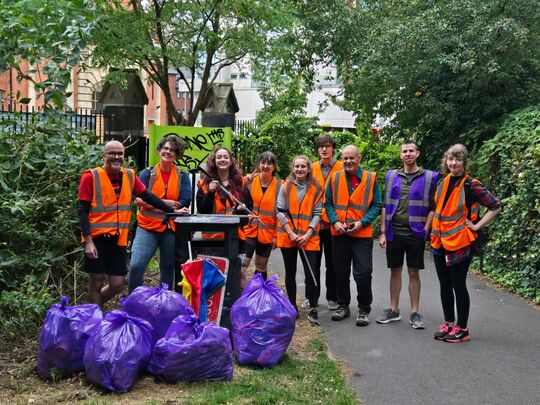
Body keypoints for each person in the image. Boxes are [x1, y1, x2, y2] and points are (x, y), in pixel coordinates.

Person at [78, 140, 182, 307]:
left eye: (120, 154)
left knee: (117, 285)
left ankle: (89, 308)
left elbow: (148, 196)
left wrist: (170, 211)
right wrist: (88, 241)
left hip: (118, 239)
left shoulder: (129, 175)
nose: (116, 157)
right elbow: (82, 211)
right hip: (96, 238)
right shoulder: (91, 176)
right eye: (112, 153)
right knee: (96, 282)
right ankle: (95, 320)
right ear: (104, 155)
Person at [430, 144, 500, 343]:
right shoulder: (442, 183)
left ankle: (462, 329)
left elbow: (495, 206)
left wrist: (477, 226)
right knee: (445, 285)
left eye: (457, 159)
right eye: (450, 159)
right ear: (446, 161)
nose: (453, 163)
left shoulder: (472, 184)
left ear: (464, 162)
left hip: (460, 243)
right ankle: (449, 324)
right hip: (439, 242)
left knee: (458, 285)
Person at [377, 140, 438, 329]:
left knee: (413, 272)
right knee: (395, 271)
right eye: (404, 151)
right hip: (394, 232)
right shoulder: (391, 175)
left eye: (411, 150)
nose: (408, 154)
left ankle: (414, 313)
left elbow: (433, 208)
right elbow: (386, 205)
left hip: (415, 234)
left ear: (418, 153)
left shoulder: (430, 177)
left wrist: (426, 230)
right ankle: (394, 310)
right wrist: (383, 232)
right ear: (400, 155)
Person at [325, 145, 382, 326]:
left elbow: (377, 205)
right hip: (339, 233)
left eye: (352, 158)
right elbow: (328, 204)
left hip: (361, 235)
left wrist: (362, 222)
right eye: (345, 158)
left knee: (363, 273)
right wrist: (335, 221)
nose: (348, 161)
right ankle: (343, 306)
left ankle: (364, 309)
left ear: (360, 158)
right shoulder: (334, 178)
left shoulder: (371, 179)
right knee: (340, 272)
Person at [128, 135, 191, 293]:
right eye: (165, 148)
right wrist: (168, 204)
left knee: (167, 271)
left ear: (177, 154)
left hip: (169, 228)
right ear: (159, 150)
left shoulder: (182, 176)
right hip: (146, 227)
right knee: (136, 266)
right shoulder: (147, 173)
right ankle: (133, 302)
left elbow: (184, 202)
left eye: (172, 150)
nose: (168, 152)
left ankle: (165, 304)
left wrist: (153, 204)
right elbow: (136, 200)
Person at [276, 156, 323, 325]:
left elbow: (318, 213)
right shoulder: (285, 187)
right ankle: (292, 307)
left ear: (309, 169)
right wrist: (290, 232)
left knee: (312, 272)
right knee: (290, 273)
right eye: (297, 166)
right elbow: (280, 211)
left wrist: (308, 233)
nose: (300, 169)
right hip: (289, 237)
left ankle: (313, 308)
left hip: (308, 238)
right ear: (292, 168)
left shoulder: (317, 188)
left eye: (303, 166)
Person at [309, 134, 343, 311]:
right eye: (321, 146)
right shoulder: (311, 168)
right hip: (314, 225)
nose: (324, 149)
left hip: (332, 224)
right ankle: (312, 297)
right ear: (318, 149)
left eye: (327, 146)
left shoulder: (342, 167)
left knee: (332, 263)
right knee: (313, 263)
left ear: (333, 149)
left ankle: (333, 297)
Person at [196, 146, 253, 247]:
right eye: (219, 157)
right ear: (214, 161)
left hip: (234, 237)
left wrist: (241, 209)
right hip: (211, 239)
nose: (222, 159)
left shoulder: (240, 183)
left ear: (231, 161)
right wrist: (210, 192)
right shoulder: (205, 184)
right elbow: (202, 210)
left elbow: (249, 205)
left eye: (226, 157)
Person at [240, 151, 281, 287]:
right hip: (249, 231)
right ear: (259, 164)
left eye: (269, 163)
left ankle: (259, 294)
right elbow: (235, 188)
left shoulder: (280, 186)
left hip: (267, 234)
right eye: (263, 162)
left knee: (261, 266)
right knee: (243, 265)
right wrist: (244, 182)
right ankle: (242, 295)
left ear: (274, 167)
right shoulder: (250, 181)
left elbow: (280, 213)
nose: (265, 166)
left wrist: (276, 236)